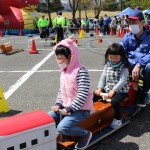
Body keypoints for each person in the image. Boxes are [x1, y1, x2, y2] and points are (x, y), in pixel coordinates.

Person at [48, 39, 93, 149]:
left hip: (82, 109)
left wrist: (70, 109)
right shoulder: (64, 71)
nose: (59, 61)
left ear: (70, 57)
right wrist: (58, 103)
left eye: (61, 58)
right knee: (48, 118)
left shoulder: (80, 71)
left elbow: (83, 93)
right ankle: (50, 137)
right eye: (57, 58)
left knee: (62, 127)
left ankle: (85, 134)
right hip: (67, 106)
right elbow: (61, 90)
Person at [94, 43, 130, 129]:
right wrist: (99, 88)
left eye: (116, 57)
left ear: (121, 56)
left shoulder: (124, 67)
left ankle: (118, 118)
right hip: (108, 89)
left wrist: (114, 90)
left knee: (114, 101)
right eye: (111, 57)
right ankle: (95, 114)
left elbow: (122, 80)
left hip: (121, 91)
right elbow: (103, 77)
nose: (113, 59)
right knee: (93, 95)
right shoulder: (108, 64)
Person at [120, 9, 150, 107]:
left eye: (135, 22)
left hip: (143, 66)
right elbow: (120, 49)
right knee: (114, 61)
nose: (132, 24)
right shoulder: (127, 36)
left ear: (142, 22)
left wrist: (139, 64)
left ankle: (143, 92)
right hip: (129, 64)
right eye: (130, 22)